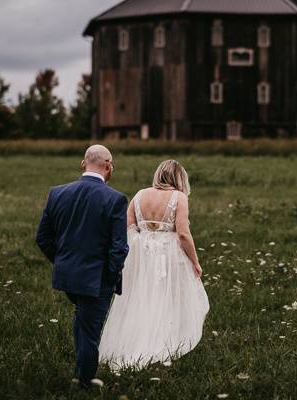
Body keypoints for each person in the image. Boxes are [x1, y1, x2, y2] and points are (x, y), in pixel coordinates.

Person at [99, 159, 209, 370]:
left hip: (142, 258)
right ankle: (166, 341)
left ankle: (134, 340)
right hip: (170, 257)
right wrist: (195, 261)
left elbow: (128, 227)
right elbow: (184, 234)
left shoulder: (140, 195)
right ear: (179, 178)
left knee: (141, 297)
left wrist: (143, 244)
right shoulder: (179, 197)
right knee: (169, 299)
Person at [35, 145, 129, 388]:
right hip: (96, 280)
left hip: (68, 277)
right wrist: (108, 277)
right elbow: (119, 247)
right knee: (89, 329)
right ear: (109, 165)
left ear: (82, 163)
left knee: (82, 320)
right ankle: (84, 381)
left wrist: (63, 261)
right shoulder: (115, 199)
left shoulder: (57, 193)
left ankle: (81, 370)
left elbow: (42, 237)